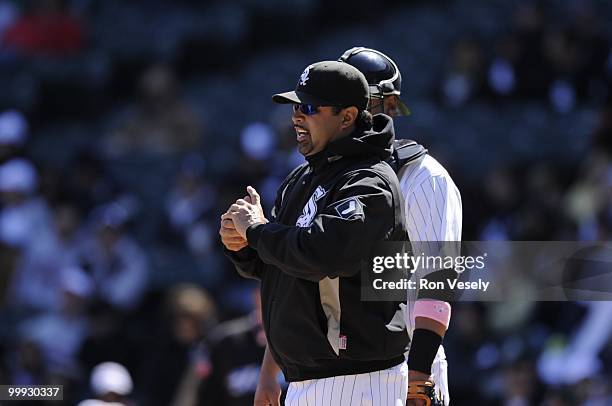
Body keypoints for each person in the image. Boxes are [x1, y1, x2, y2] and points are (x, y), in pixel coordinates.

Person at [220, 60, 410, 405]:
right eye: (295, 106)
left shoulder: (368, 182)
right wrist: (243, 244)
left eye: (309, 108)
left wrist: (258, 232)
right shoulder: (303, 178)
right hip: (310, 377)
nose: (296, 117)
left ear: (348, 116)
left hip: (358, 378)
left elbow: (323, 255)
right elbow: (278, 266)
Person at [340, 47, 462, 406]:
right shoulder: (326, 178)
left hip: (404, 368)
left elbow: (440, 277)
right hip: (333, 373)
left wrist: (419, 376)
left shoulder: (423, 177)